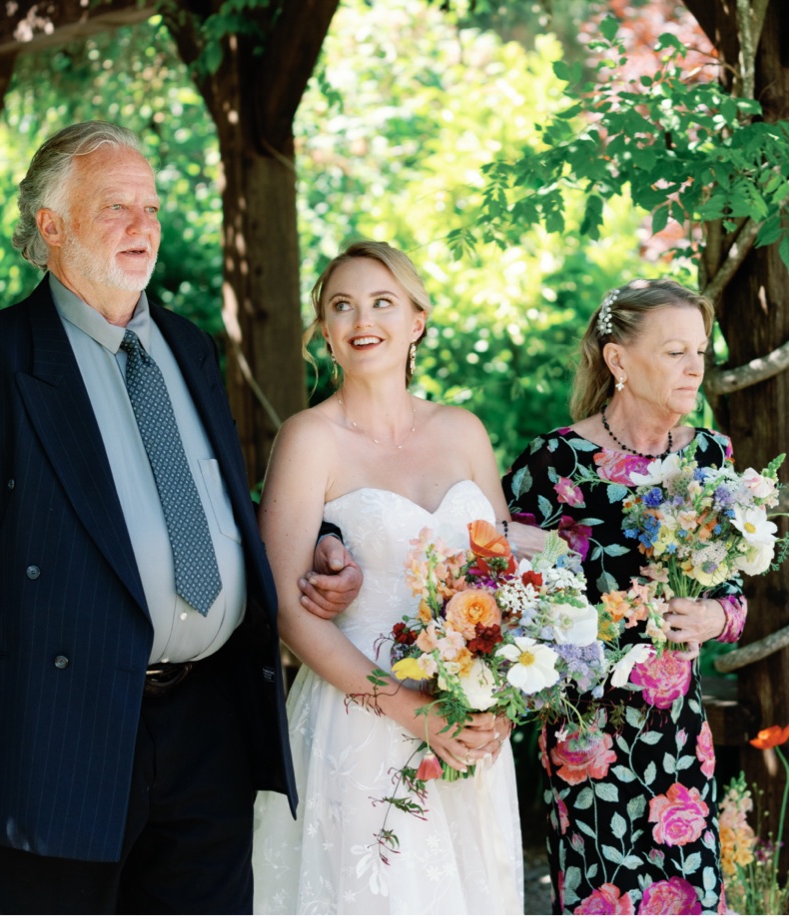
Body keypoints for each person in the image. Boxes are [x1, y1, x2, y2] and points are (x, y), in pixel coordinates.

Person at [0, 120, 360, 914]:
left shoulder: (187, 345)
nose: (143, 227)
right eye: (115, 207)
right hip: (53, 732)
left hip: (207, 724)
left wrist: (319, 541)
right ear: (51, 225)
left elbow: (205, 505)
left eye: (151, 208)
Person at [250, 240, 546, 913]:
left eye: (383, 301)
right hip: (359, 723)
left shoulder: (464, 431)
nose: (363, 319)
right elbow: (289, 612)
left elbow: (502, 586)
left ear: (416, 320)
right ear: (324, 331)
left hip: (464, 731)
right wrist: (413, 712)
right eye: (342, 305)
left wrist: (495, 707)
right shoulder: (307, 440)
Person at [504, 279, 748, 914]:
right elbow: (501, 589)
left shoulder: (709, 455)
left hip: (679, 735)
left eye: (700, 350)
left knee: (690, 899)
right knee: (601, 899)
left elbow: (735, 593)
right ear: (618, 360)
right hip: (589, 732)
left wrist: (713, 614)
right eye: (675, 352)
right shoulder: (557, 463)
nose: (695, 366)